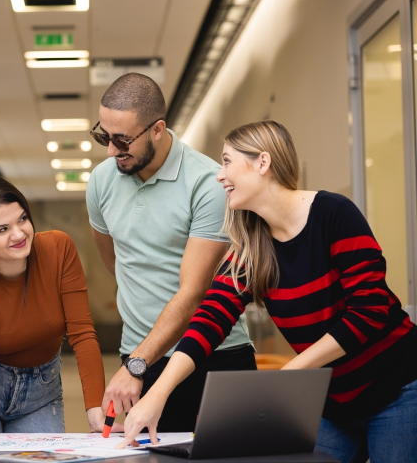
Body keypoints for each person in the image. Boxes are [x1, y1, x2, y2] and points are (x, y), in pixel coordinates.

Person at [118, 121, 417, 462]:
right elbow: (209, 320)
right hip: (333, 403)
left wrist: (288, 375)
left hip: (397, 391)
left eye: (227, 161)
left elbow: (370, 310)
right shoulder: (252, 247)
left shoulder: (333, 214)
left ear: (262, 163)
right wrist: (158, 392)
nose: (220, 175)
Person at [86, 73, 254, 432]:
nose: (111, 150)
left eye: (122, 140)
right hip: (140, 355)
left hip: (214, 354)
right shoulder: (101, 181)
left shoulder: (208, 183)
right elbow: (116, 260)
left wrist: (136, 363)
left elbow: (193, 293)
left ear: (158, 129)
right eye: (103, 136)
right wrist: (138, 357)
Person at [0, 176, 105, 446]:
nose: (19, 234)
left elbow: (82, 333)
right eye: (2, 229)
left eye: (22, 219)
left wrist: (95, 409)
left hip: (41, 392)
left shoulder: (58, 249)